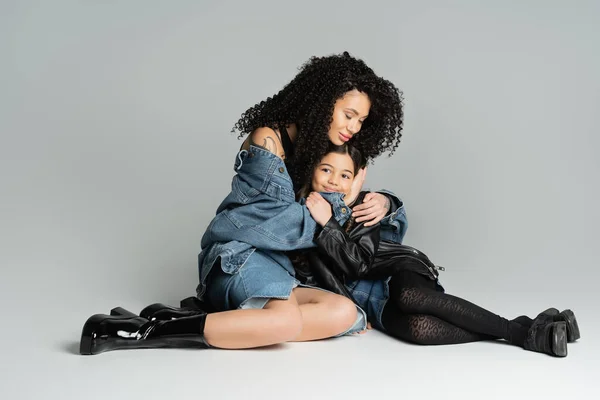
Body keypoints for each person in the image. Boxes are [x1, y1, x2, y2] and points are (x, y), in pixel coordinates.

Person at [79, 51, 406, 355]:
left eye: (361, 120)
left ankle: (223, 323)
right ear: (322, 102)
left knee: (344, 311)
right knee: (287, 322)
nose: (354, 127)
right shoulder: (268, 140)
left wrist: (386, 202)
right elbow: (283, 226)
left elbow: (336, 222)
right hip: (237, 254)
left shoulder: (321, 147)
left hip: (278, 267)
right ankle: (140, 331)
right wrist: (344, 203)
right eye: (349, 115)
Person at [291, 143, 580, 357]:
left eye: (344, 175)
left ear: (356, 179)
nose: (333, 181)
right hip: (372, 302)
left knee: (410, 296)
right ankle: (529, 327)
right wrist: (354, 314)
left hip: (398, 272)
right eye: (326, 169)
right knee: (418, 330)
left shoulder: (363, 205)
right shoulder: (296, 215)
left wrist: (331, 222)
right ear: (312, 169)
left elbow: (358, 265)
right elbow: (318, 274)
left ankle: (522, 333)